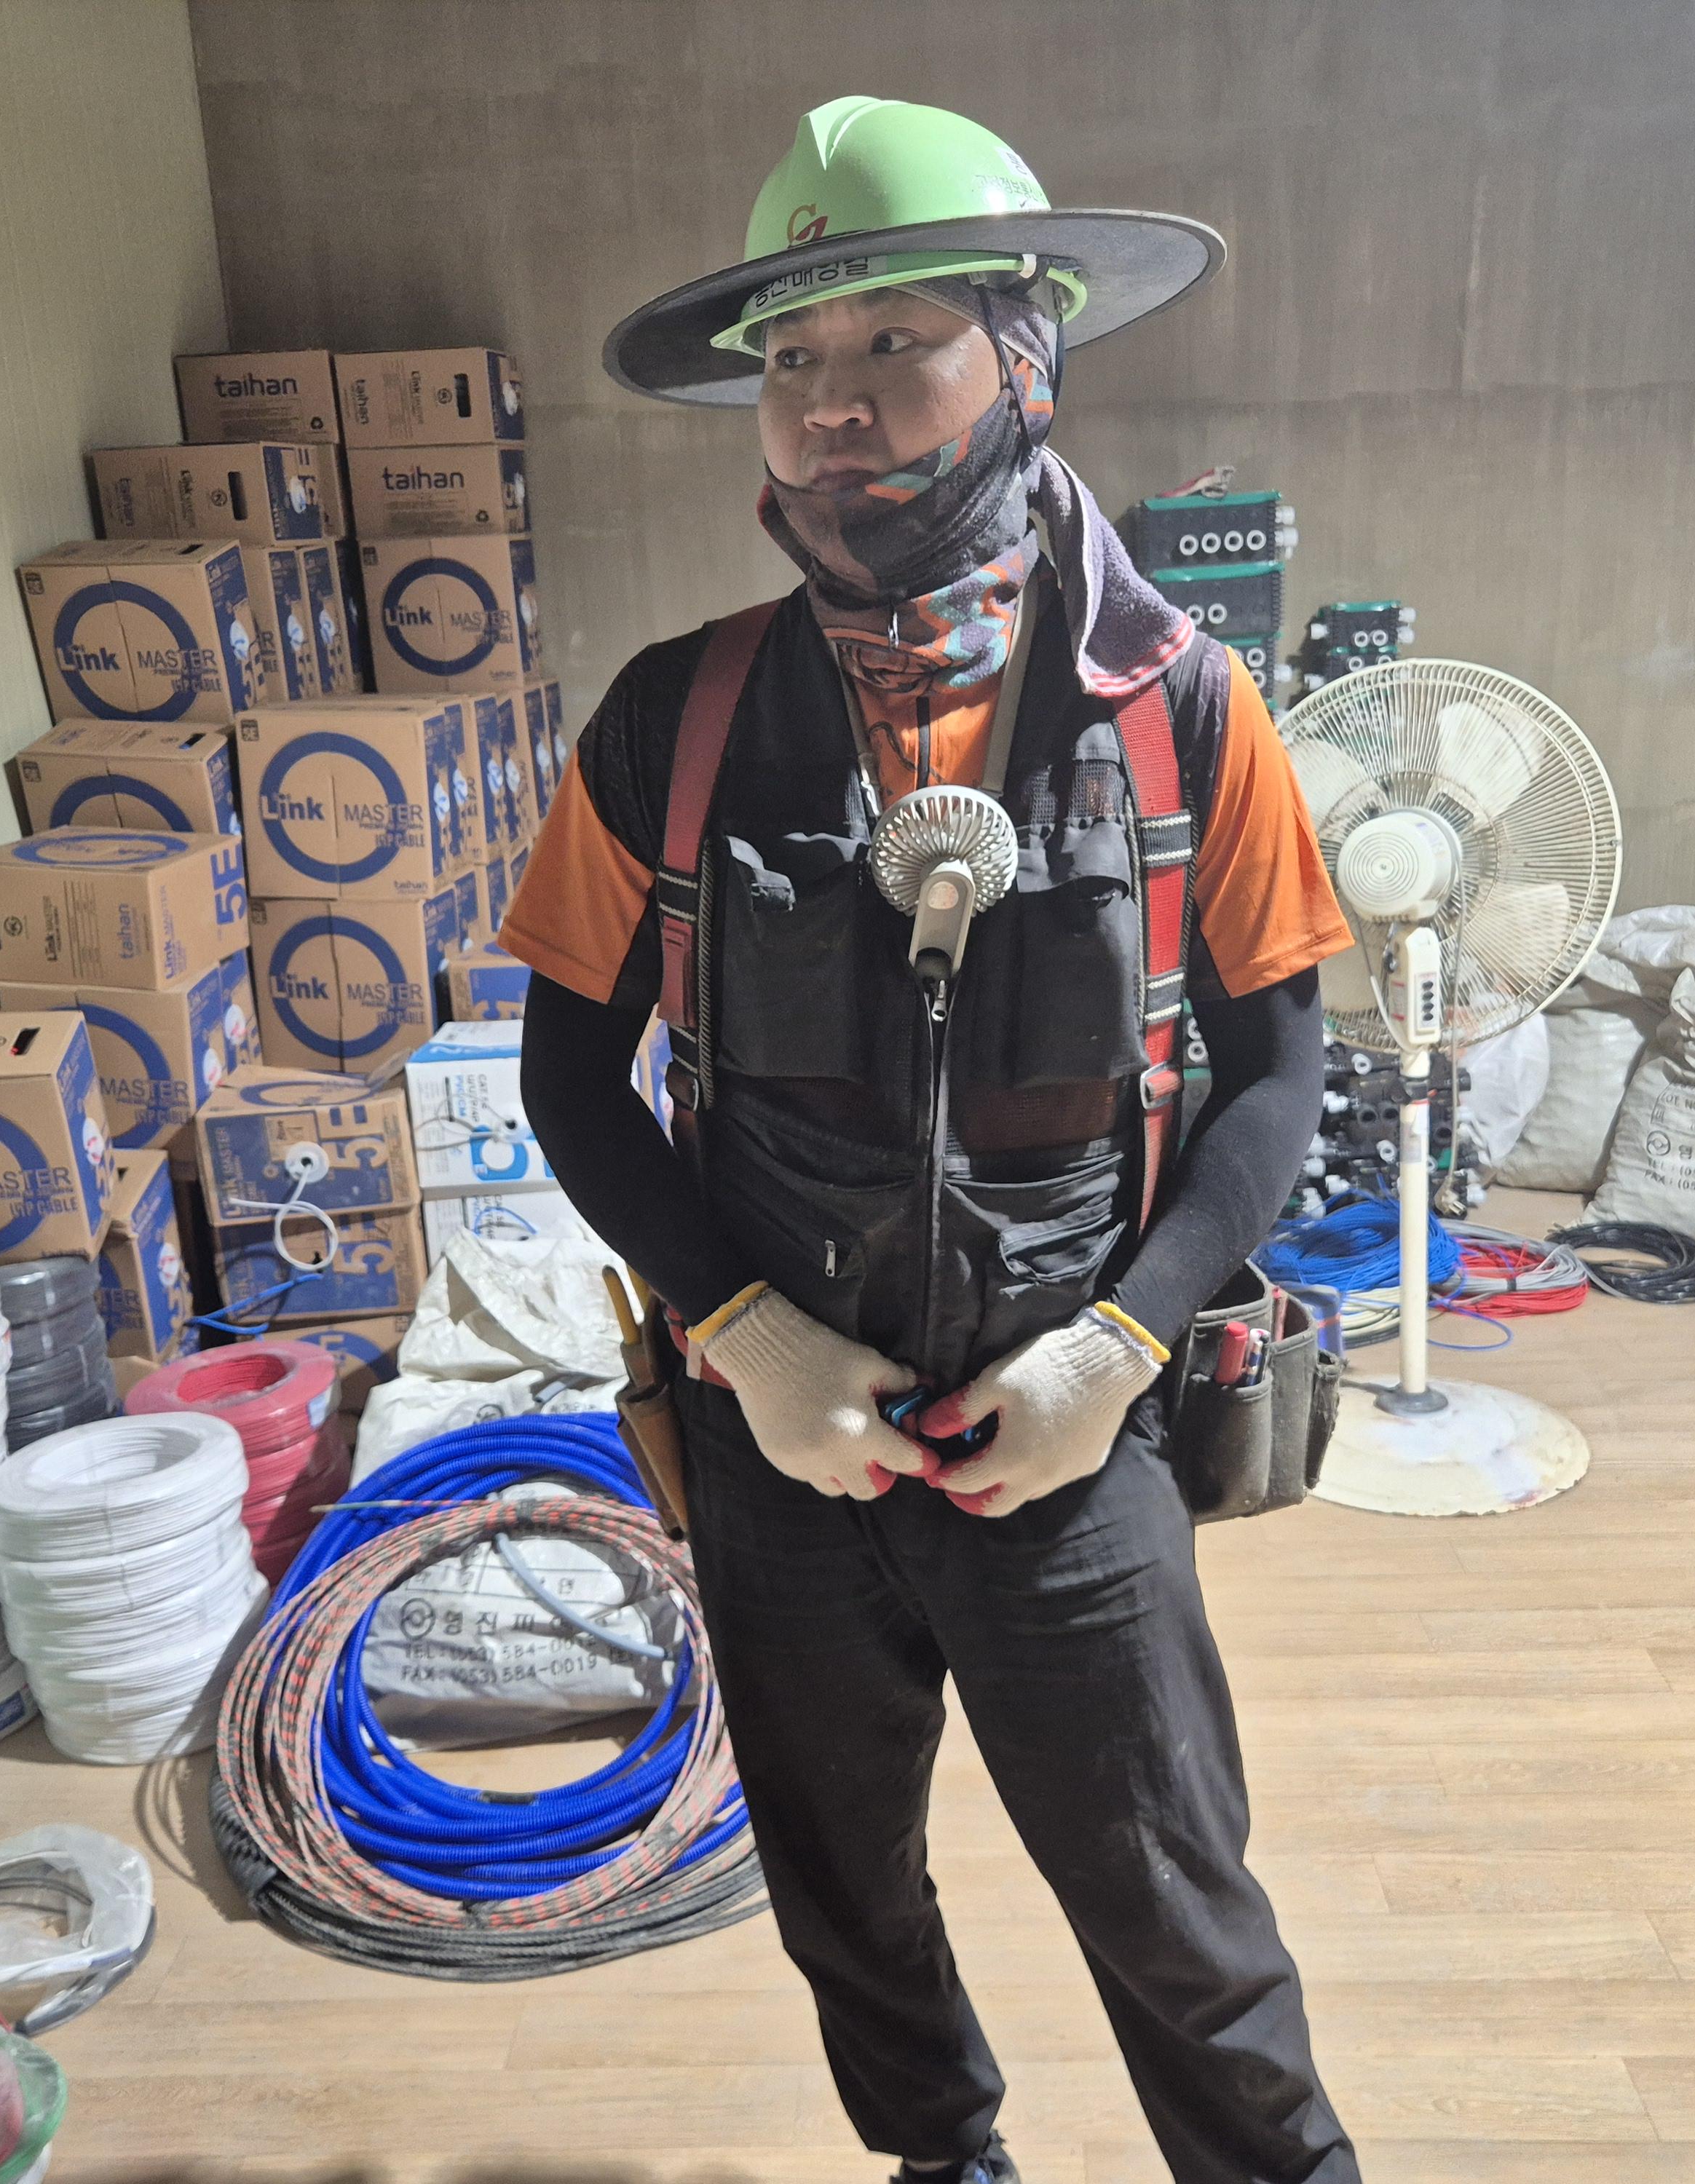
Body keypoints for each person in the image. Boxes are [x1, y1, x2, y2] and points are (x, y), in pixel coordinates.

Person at [502, 97, 1360, 2184]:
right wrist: (747, 1339)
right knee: (843, 1882)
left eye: (896, 342)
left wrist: (1120, 1351)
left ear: (1025, 354)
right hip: (786, 1449)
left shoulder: (1184, 714)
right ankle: (941, 2158)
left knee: (1174, 1901)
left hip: (1067, 1440)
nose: (835, 406)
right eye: (794, 359)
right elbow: (569, 1078)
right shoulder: (676, 722)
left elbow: (1277, 1079)